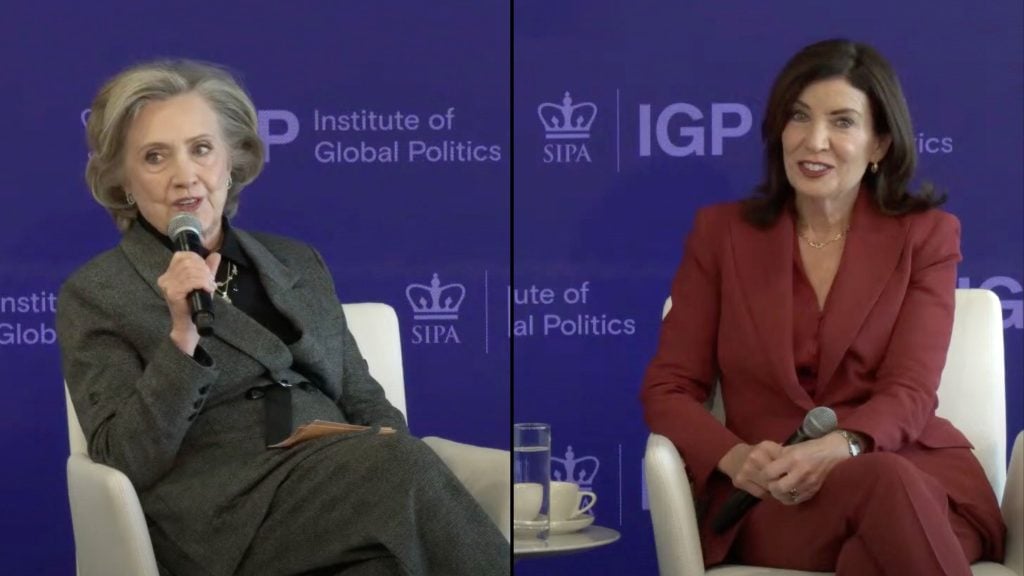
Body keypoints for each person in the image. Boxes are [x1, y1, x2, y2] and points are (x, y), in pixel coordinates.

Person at [57, 60, 509, 576]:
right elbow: (121, 459)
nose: (185, 175)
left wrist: (381, 440)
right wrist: (181, 337)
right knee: (399, 467)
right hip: (223, 522)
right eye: (155, 157)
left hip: (341, 492)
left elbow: (362, 396)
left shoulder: (297, 262)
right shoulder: (96, 293)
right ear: (125, 183)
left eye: (201, 149)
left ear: (232, 161)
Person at [640, 39, 1005, 575]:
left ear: (879, 143)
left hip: (917, 476)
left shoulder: (925, 237)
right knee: (886, 505)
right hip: (774, 500)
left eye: (842, 122)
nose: (815, 141)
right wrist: (736, 459)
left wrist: (844, 446)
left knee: (876, 531)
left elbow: (910, 390)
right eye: (799, 117)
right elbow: (667, 390)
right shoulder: (722, 235)